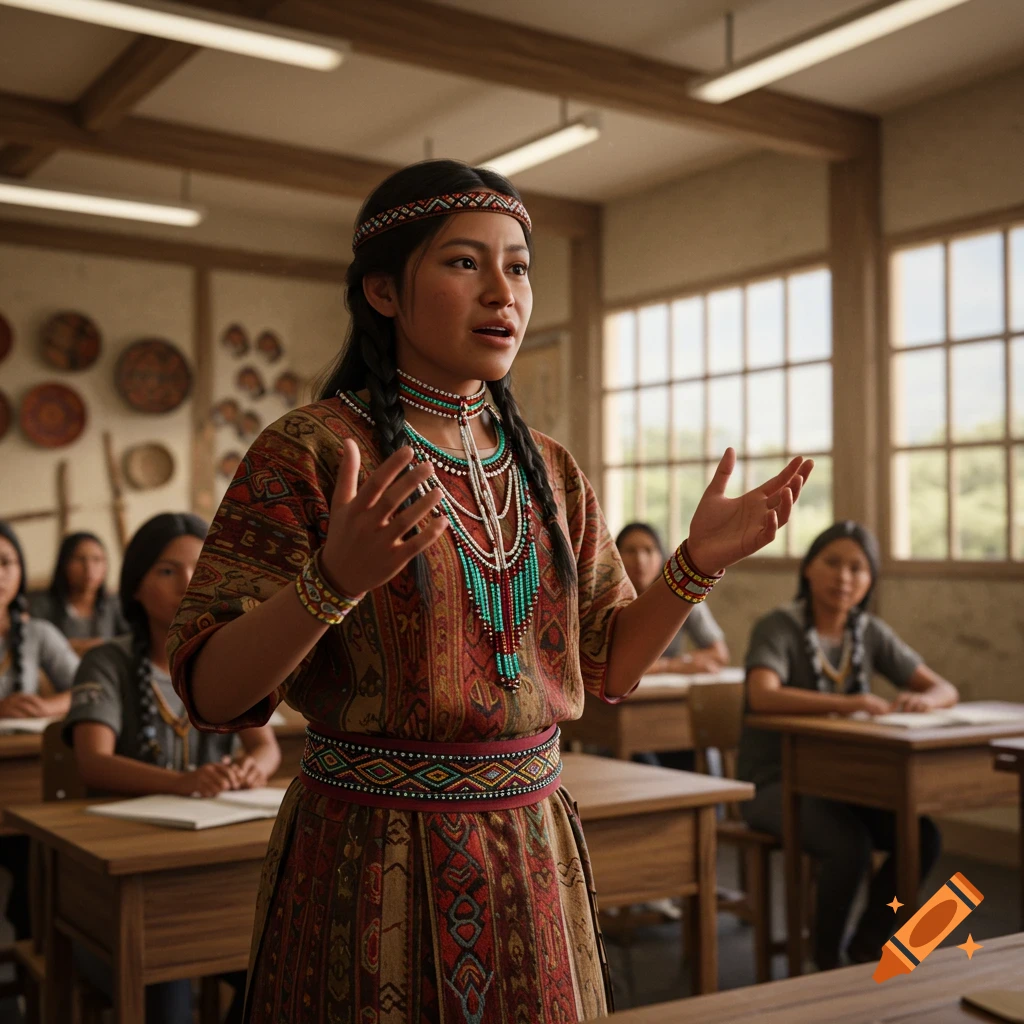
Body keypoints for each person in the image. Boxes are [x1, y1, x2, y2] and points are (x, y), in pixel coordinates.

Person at [167, 160, 813, 1023]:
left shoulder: (549, 467)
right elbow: (212, 690)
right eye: (464, 263)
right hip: (368, 854)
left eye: (518, 266)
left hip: (530, 850)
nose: (502, 291)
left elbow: (610, 666)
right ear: (384, 292)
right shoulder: (313, 450)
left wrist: (697, 564)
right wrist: (332, 584)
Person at [65, 513, 280, 1024]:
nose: (188, 582)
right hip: (125, 874)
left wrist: (253, 767)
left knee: (272, 971)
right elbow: (92, 762)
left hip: (208, 864)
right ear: (135, 584)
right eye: (166, 571)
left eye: (198, 567)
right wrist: (183, 784)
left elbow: (267, 749)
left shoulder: (224, 658)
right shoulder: (106, 662)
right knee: (165, 984)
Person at [737, 521, 959, 971]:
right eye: (832, 563)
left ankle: (869, 944)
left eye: (858, 568)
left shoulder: (869, 631)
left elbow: (944, 688)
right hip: (772, 785)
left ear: (871, 580)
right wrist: (848, 702)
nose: (844, 577)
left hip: (843, 785)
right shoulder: (778, 625)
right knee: (848, 846)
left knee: (924, 836)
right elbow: (763, 693)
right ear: (807, 569)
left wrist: (924, 699)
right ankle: (825, 961)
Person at [0, 520, 80, 942]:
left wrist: (47, 705)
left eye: (6, 562)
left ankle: (37, 957)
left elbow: (87, 686)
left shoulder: (36, 633)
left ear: (20, 571)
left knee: (37, 868)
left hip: (23, 784)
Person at [616, 522, 730, 674]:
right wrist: (671, 666)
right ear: (615, 556)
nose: (640, 560)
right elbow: (611, 668)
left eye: (649, 550)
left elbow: (719, 655)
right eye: (630, 551)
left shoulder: (682, 595)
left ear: (662, 556)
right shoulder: (604, 599)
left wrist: (671, 664)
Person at [31, 531, 127, 653]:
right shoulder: (41, 606)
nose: (89, 568)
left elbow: (131, 643)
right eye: (80, 559)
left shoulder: (115, 604)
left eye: (97, 560)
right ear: (64, 564)